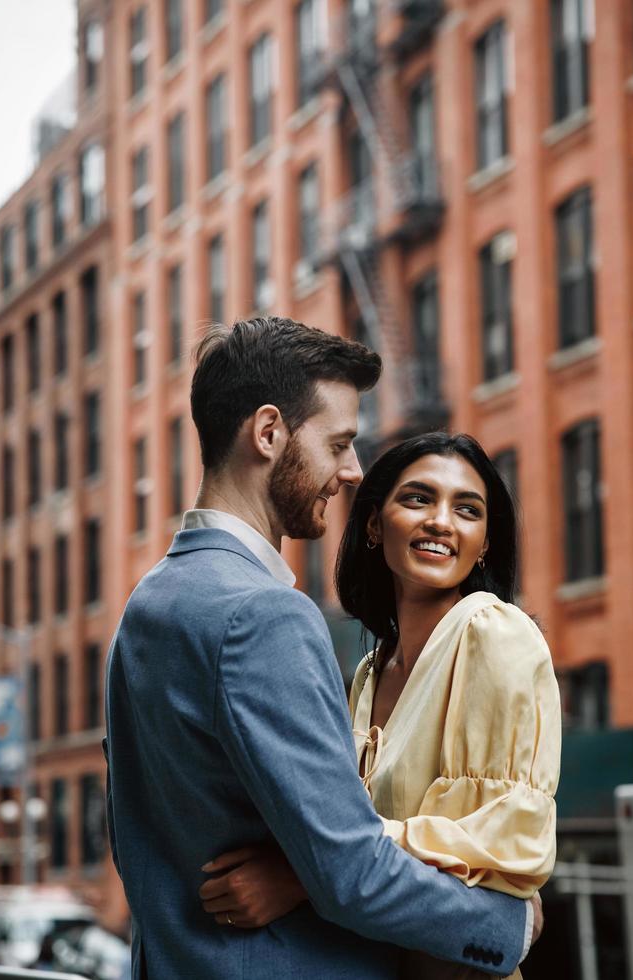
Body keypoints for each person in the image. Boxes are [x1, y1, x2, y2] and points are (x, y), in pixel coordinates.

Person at [105, 317, 535, 980]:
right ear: (269, 432)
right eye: (338, 443)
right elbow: (352, 873)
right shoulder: (265, 616)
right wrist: (509, 926)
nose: (352, 470)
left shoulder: (149, 604)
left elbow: (136, 839)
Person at [202, 431, 560, 979]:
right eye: (418, 498)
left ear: (485, 542)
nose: (442, 521)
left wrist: (307, 875)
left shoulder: (493, 634)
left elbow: (502, 850)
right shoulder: (369, 673)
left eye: (468, 509)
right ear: (373, 524)